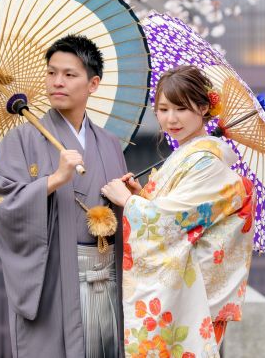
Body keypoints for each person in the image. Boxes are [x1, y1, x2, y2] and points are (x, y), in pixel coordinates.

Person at [0, 34, 126, 358]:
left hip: (107, 275)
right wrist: (53, 180)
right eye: (51, 73)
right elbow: (2, 205)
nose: (56, 82)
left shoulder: (109, 143)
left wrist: (131, 196)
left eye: (69, 74)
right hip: (53, 278)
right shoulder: (21, 140)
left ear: (93, 84)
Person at [102, 65, 255, 358]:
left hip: (195, 294)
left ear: (203, 108)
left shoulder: (207, 164)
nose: (170, 119)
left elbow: (171, 221)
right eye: (163, 109)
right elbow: (172, 211)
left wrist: (129, 203)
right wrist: (142, 195)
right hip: (188, 291)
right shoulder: (186, 157)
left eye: (181, 109)